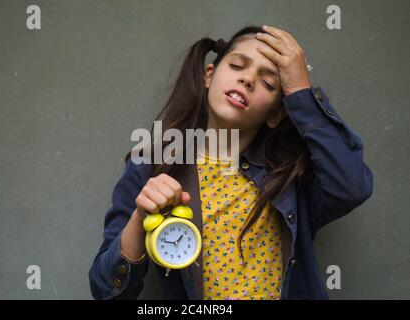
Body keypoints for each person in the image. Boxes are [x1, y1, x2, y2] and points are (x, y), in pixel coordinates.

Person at [88, 25, 373, 300]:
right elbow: (107, 291)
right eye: (237, 66)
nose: (247, 79)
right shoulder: (151, 165)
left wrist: (300, 92)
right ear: (209, 75)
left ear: (276, 114)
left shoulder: (290, 176)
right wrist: (140, 218)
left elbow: (351, 187)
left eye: (268, 82)